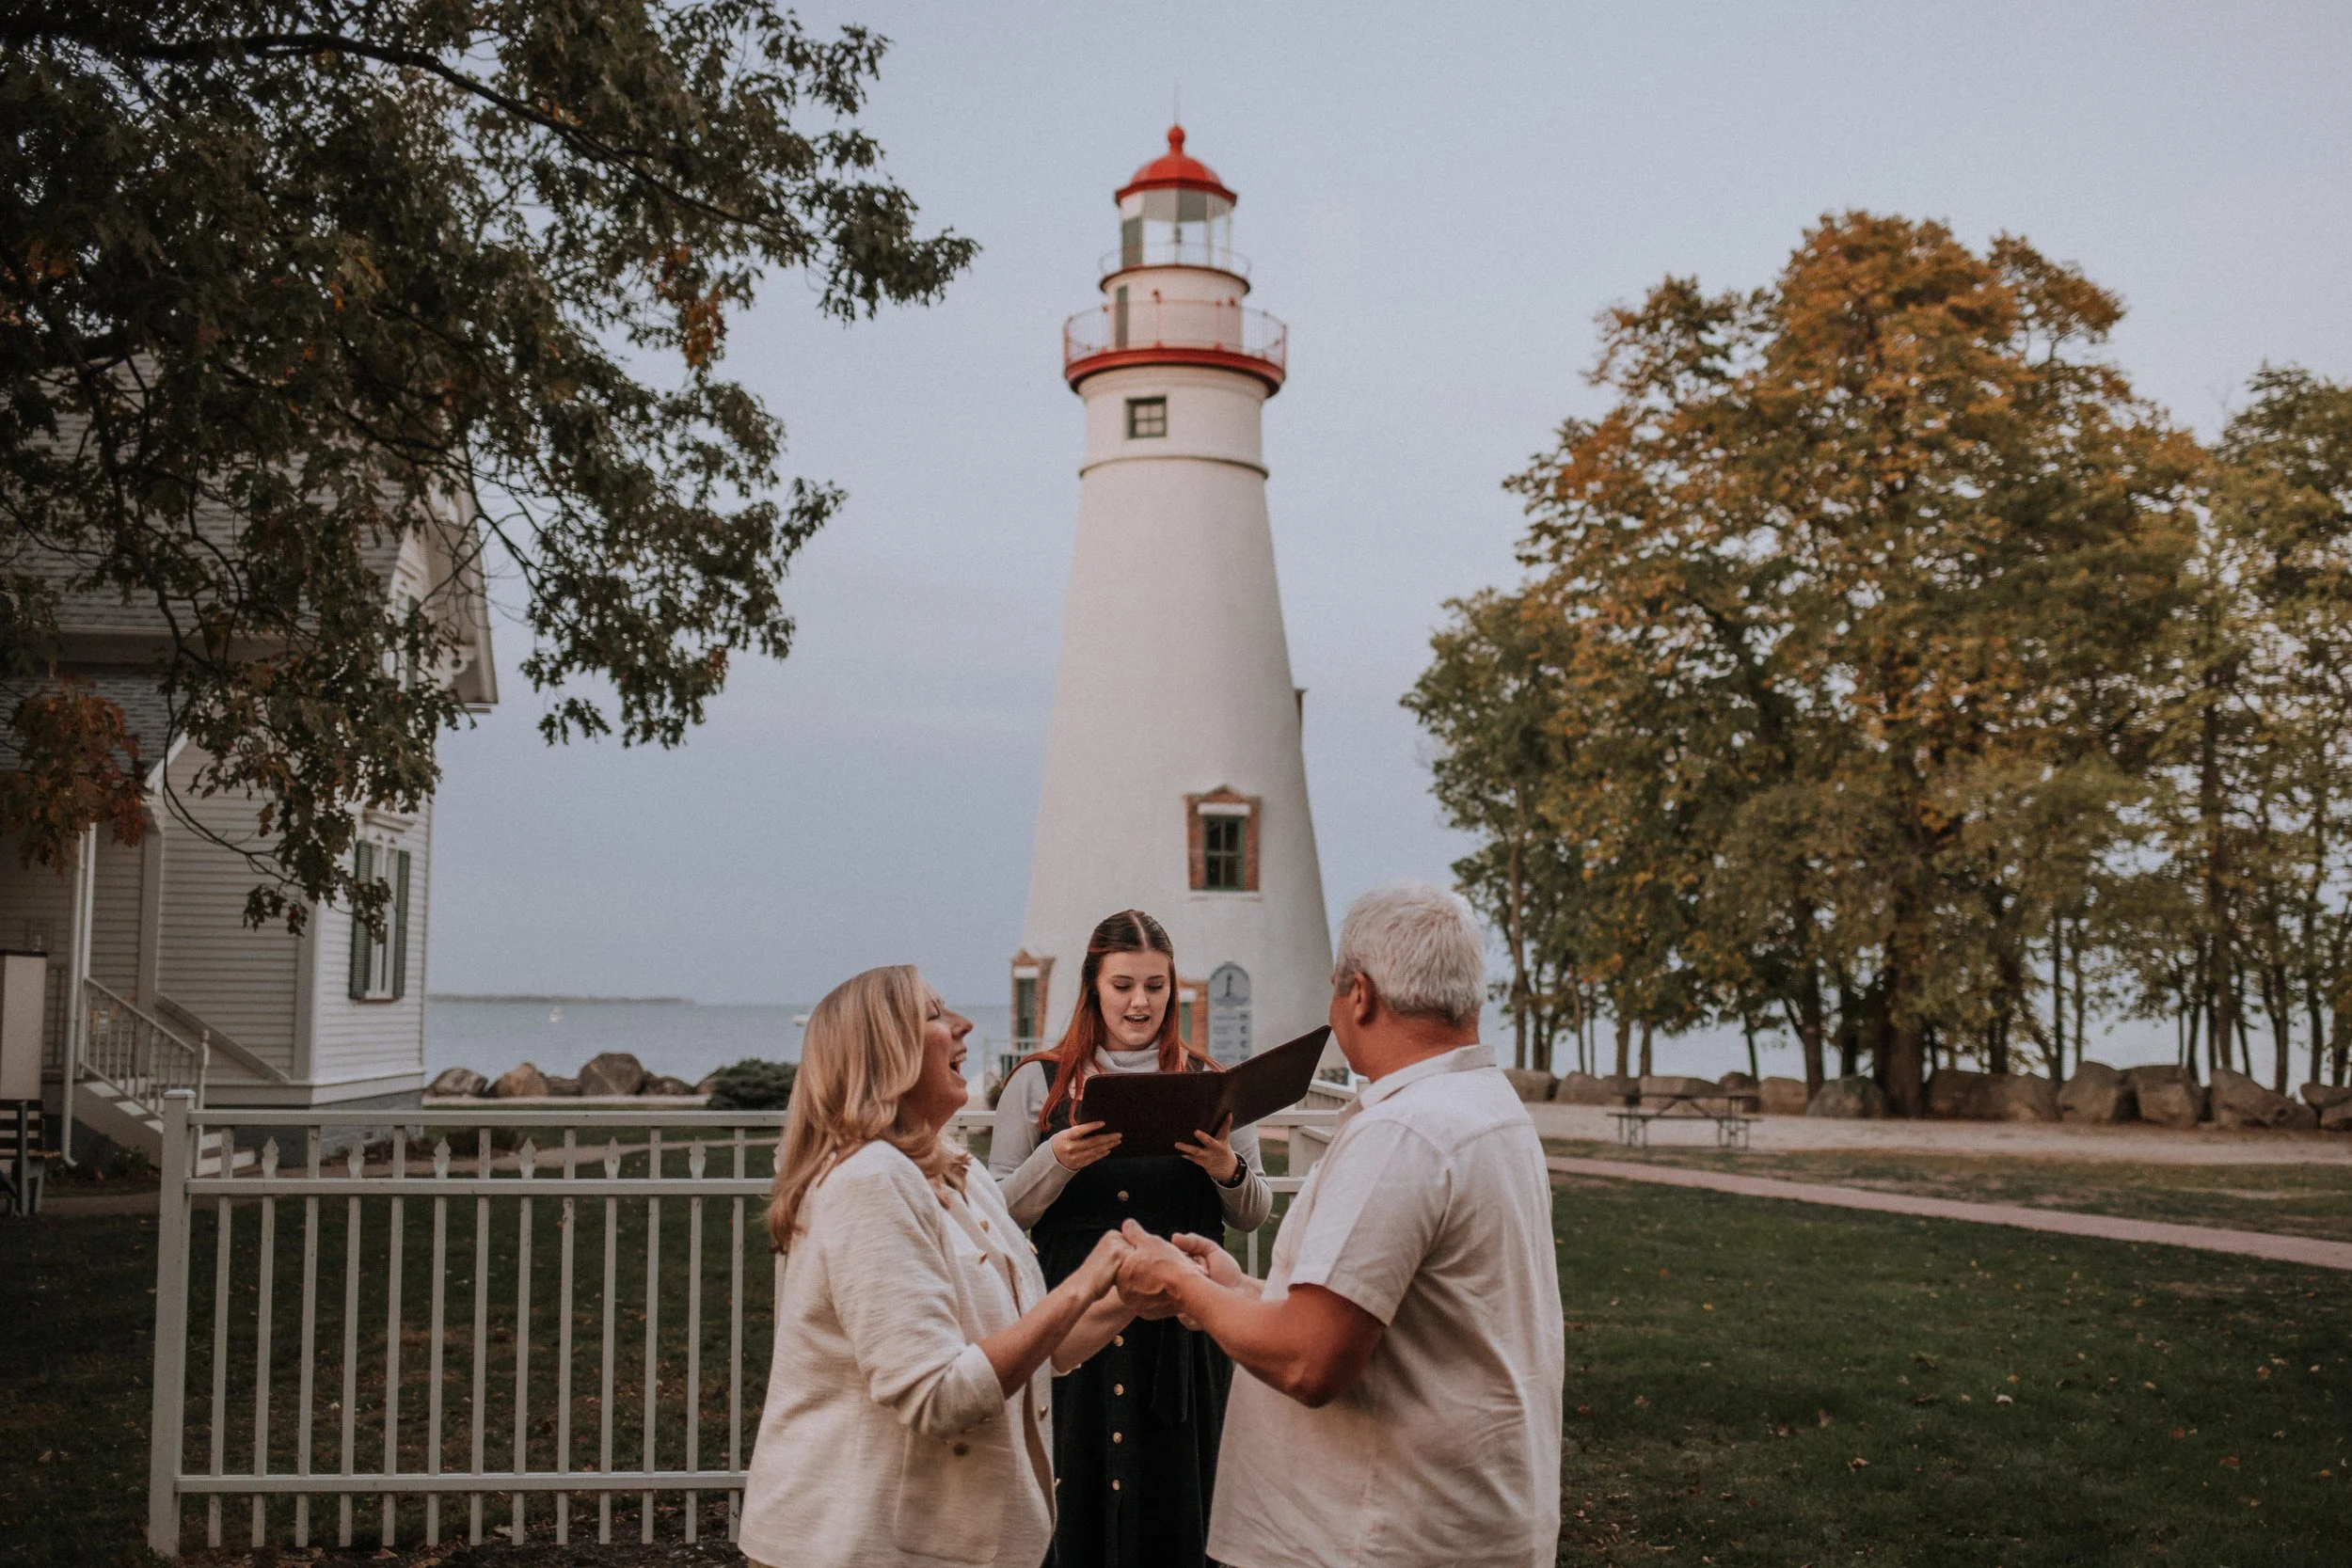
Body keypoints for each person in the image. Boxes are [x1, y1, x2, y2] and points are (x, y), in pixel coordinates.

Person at [1116, 883, 1565, 1568]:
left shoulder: (1404, 1132)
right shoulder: (1486, 1107)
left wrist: (1181, 1285)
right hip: (1464, 1520)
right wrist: (1240, 1290)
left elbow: (1309, 1360)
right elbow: (1381, 1317)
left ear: (1360, 994)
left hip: (1377, 1535)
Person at [740, 965, 1136, 1568]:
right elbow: (939, 1396)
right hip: (851, 1545)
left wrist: (1131, 1296)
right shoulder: (867, 1182)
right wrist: (1082, 1283)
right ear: (883, 1054)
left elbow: (1036, 1344)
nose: (964, 1024)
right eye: (934, 1014)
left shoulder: (958, 1172)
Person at [990, 910, 1273, 1568]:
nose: (1140, 1002)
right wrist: (1056, 1158)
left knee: (1178, 1497)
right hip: (1072, 1320)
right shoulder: (1037, 1081)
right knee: (1074, 1486)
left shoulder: (1213, 1080)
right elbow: (1001, 1211)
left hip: (1183, 1324)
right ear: (1093, 986)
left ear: (1172, 987)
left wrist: (1226, 1168)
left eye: (1155, 985)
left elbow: (1253, 1213)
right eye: (1122, 985)